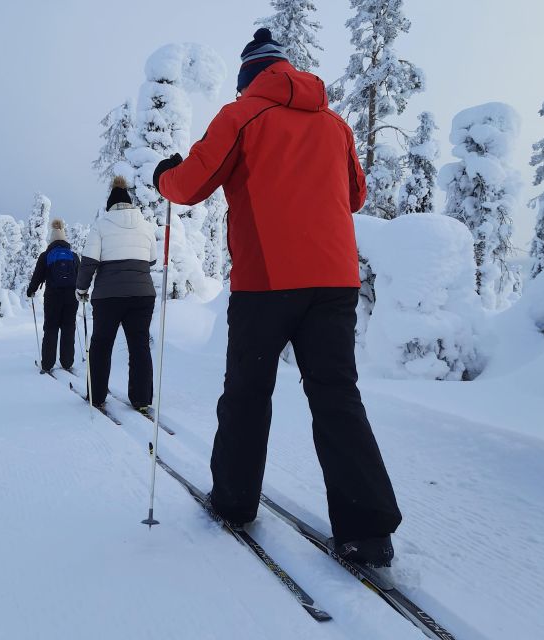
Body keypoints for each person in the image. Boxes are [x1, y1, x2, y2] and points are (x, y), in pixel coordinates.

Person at [153, 28, 402, 568]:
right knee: (337, 395)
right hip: (335, 282)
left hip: (268, 281)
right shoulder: (335, 123)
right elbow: (355, 195)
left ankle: (235, 502)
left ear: (249, 80)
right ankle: (368, 533)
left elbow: (191, 183)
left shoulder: (240, 115)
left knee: (248, 392)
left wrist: (162, 176)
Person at [75, 176, 157, 411]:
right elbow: (152, 259)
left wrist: (81, 289)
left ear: (110, 205)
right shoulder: (145, 224)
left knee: (101, 344)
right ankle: (142, 398)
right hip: (142, 295)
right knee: (139, 344)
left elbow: (89, 262)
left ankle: (97, 395)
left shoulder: (101, 225)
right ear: (129, 203)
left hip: (108, 297)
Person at [26, 218, 80, 373]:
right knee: (68, 328)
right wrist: (83, 292)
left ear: (51, 239)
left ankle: (48, 363)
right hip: (71, 297)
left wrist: (31, 290)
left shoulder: (46, 255)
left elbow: (37, 275)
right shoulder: (73, 256)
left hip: (53, 297)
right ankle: (67, 362)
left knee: (51, 329)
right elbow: (81, 276)